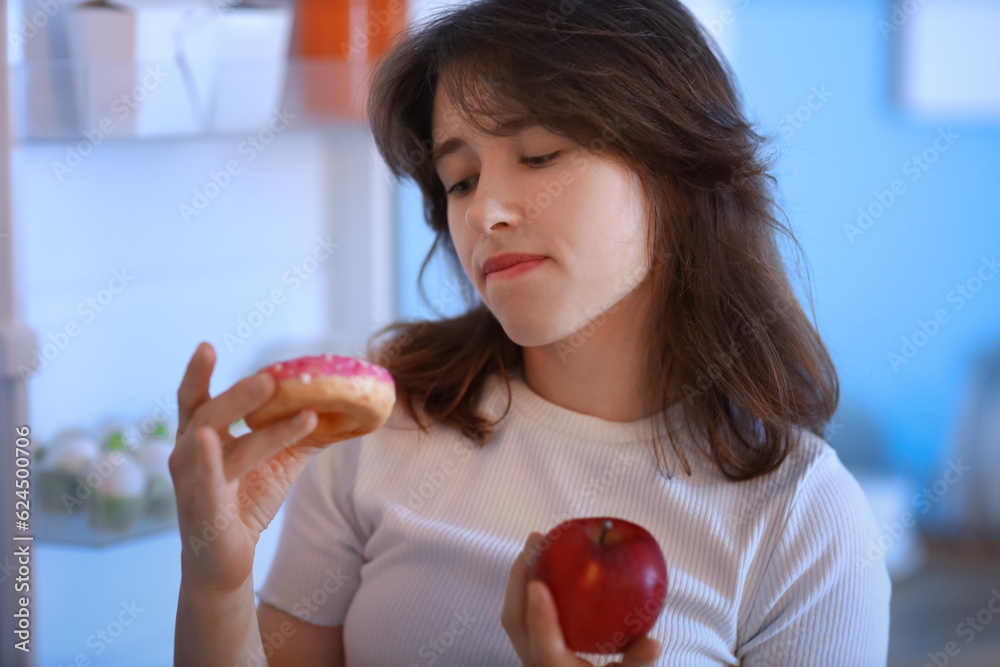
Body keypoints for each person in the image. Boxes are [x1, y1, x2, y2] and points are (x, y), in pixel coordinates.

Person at [170, 0, 892, 665]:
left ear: (677, 171)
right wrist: (217, 582)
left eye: (540, 155)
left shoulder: (805, 521)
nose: (485, 212)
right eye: (459, 179)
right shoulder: (382, 423)